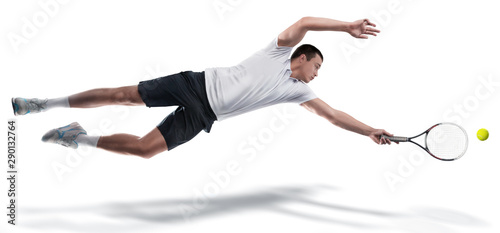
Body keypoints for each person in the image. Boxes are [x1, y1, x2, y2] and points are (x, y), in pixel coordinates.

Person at [11, 16, 395, 159]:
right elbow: (306, 21)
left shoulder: (298, 92)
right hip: (196, 84)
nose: (317, 74)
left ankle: (75, 137)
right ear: (303, 57)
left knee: (147, 151)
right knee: (122, 95)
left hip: (205, 115)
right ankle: (42, 104)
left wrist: (369, 131)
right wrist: (346, 26)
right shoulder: (279, 52)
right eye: (317, 66)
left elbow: (334, 116)